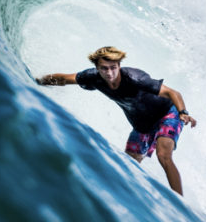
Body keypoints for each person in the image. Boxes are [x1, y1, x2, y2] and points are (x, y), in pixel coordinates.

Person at [36, 46, 197, 195]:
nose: (109, 73)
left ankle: (182, 206)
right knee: (129, 165)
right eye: (104, 68)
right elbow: (64, 79)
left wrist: (183, 112)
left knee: (163, 154)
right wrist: (38, 80)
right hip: (142, 125)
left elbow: (172, 93)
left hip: (168, 114)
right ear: (97, 68)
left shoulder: (135, 78)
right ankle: (132, 198)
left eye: (113, 67)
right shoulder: (92, 77)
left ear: (119, 65)